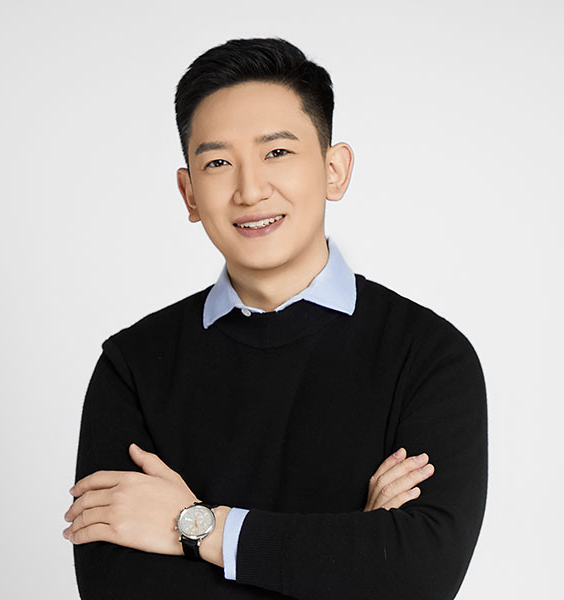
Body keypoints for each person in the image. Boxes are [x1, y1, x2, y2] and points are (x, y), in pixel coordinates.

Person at [63, 37, 488, 600]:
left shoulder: (429, 355)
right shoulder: (133, 366)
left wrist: (196, 528)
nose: (250, 190)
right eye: (218, 162)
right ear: (189, 194)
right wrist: (351, 553)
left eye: (277, 152)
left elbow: (418, 578)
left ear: (334, 170)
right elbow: (116, 589)